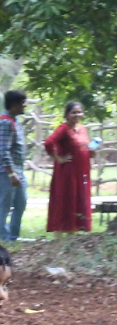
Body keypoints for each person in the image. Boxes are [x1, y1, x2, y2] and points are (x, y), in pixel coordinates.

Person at [43, 100, 93, 233]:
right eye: (73, 112)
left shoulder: (83, 129)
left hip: (82, 171)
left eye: (79, 112)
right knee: (67, 199)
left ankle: (74, 231)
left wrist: (91, 152)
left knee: (79, 199)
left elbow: (83, 148)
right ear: (67, 114)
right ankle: (61, 233)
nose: (77, 115)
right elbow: (48, 143)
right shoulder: (63, 129)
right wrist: (58, 159)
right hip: (67, 172)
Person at [0, 91, 29, 242]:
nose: (24, 106)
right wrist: (11, 174)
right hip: (5, 171)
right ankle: (3, 237)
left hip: (18, 169)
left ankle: (13, 236)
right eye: (22, 103)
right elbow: (2, 150)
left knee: (21, 202)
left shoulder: (15, 121)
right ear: (14, 105)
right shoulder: (4, 123)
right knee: (4, 205)